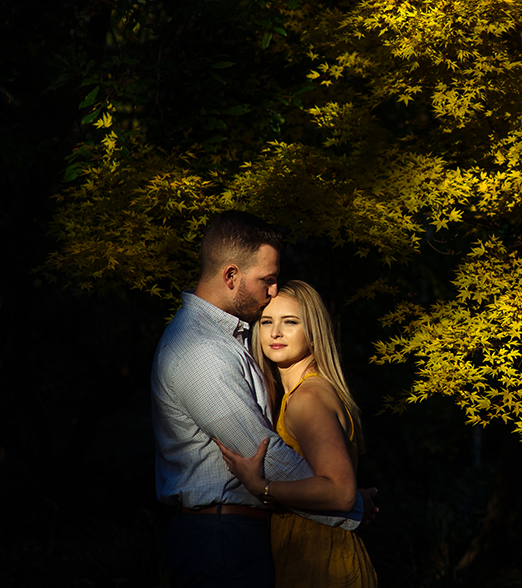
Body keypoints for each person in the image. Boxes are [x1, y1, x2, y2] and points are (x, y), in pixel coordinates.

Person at [151, 211, 363, 587]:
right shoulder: (199, 349)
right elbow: (264, 454)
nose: (273, 290)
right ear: (231, 276)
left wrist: (339, 495)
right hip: (220, 536)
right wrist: (349, 504)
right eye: (267, 279)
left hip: (237, 532)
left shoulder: (226, 340)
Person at [215, 280, 378, 587]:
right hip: (307, 555)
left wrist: (260, 487)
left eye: (290, 322)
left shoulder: (308, 399)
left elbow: (340, 494)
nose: (275, 332)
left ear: (313, 330)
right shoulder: (298, 394)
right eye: (266, 322)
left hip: (321, 562)